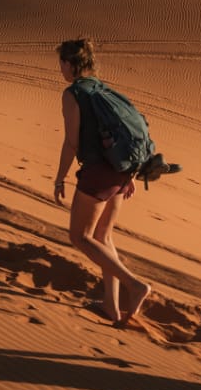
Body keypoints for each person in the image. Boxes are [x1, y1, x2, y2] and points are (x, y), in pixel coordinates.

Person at [52, 38, 153, 327]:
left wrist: (60, 177)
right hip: (121, 170)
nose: (60, 68)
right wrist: (129, 175)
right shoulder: (104, 89)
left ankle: (135, 285)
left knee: (79, 237)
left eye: (61, 63)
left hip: (98, 173)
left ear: (71, 64)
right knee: (103, 238)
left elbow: (72, 142)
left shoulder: (73, 94)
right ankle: (111, 305)